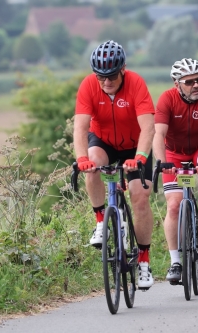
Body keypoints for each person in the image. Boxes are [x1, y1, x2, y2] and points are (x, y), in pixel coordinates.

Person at [73, 40, 155, 289]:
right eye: (100, 77)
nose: (106, 82)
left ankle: (143, 261)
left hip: (134, 144)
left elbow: (148, 127)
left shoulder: (136, 83)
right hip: (104, 141)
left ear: (123, 69)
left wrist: (140, 156)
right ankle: (101, 221)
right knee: (93, 165)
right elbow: (80, 127)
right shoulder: (89, 85)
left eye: (111, 76)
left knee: (140, 197)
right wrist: (81, 159)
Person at [153, 58, 198, 283]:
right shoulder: (166, 99)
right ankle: (175, 262)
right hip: (173, 153)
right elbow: (159, 135)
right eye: (189, 81)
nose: (196, 85)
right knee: (173, 206)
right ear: (177, 84)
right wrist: (162, 162)